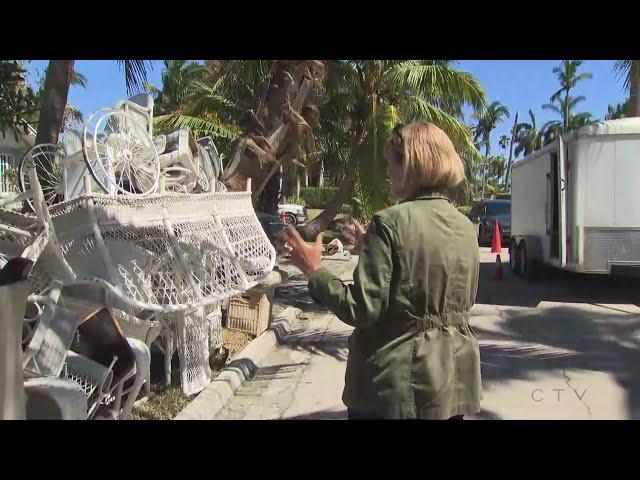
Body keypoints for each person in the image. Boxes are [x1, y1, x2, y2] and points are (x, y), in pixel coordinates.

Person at [278, 122, 482, 420]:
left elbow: (361, 308)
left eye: (392, 163)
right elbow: (426, 273)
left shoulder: (389, 222)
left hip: (396, 388)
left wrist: (315, 270)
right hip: (452, 383)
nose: (388, 173)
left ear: (412, 164)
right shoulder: (465, 226)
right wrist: (369, 246)